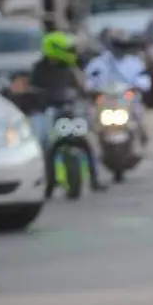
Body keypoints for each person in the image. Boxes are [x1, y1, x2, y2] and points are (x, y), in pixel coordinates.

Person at [28, 31, 105, 192]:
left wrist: (90, 95)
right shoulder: (38, 69)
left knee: (87, 141)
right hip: (48, 112)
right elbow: (31, 91)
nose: (71, 53)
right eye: (67, 49)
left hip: (69, 111)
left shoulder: (71, 68)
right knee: (43, 144)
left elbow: (81, 87)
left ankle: (94, 179)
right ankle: (46, 182)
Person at [85, 28, 152, 145]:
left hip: (127, 99)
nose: (120, 48)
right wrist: (91, 88)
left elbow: (144, 80)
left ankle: (140, 140)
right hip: (104, 100)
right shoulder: (99, 62)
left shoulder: (134, 62)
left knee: (138, 113)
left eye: (122, 45)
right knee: (90, 118)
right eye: (117, 44)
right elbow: (89, 79)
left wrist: (138, 86)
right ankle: (94, 147)